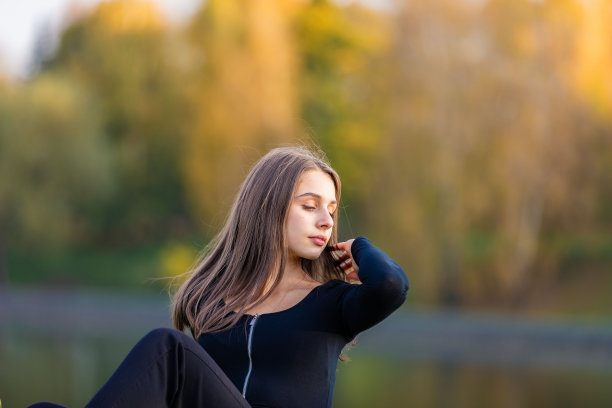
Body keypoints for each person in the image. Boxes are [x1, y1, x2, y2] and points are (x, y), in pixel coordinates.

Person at [29, 145, 409, 408]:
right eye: (310, 206)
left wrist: (359, 247)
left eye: (331, 209)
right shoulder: (211, 300)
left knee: (170, 348)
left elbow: (391, 285)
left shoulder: (334, 303)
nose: (326, 220)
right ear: (269, 208)